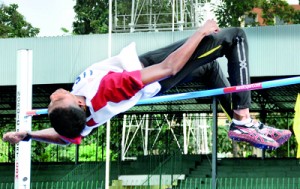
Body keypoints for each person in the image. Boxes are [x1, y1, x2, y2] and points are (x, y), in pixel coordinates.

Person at [3, 20, 291, 150]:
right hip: (155, 70)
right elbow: (170, 67)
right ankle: (242, 119)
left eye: (52, 99)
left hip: (150, 70)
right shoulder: (110, 89)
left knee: (209, 67)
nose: (54, 94)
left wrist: (29, 135)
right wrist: (200, 32)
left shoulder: (80, 120)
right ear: (78, 102)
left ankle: (240, 124)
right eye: (57, 99)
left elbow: (64, 137)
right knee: (235, 37)